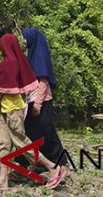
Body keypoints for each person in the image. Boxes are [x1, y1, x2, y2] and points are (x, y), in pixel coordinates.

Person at [0, 33, 68, 189]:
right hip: (5, 108)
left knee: (22, 143)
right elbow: (8, 87)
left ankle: (52, 167)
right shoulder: (14, 62)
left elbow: (8, 85)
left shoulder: (11, 62)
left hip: (13, 110)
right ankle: (3, 179)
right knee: (4, 144)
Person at [20, 27, 71, 176]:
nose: (23, 41)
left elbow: (43, 81)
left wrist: (37, 104)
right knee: (32, 132)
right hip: (32, 99)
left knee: (46, 133)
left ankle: (61, 164)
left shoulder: (39, 56)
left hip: (41, 101)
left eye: (25, 37)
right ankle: (31, 163)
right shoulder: (32, 54)